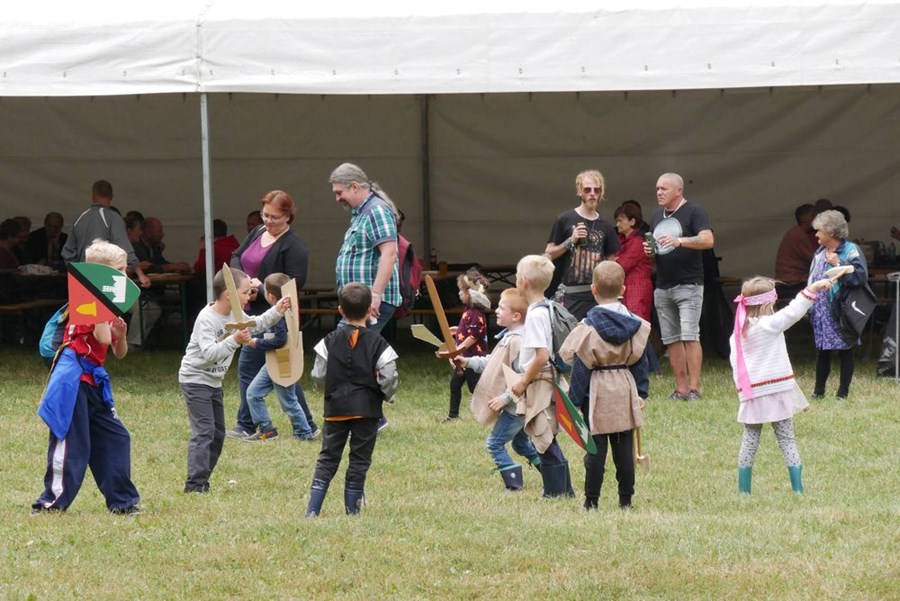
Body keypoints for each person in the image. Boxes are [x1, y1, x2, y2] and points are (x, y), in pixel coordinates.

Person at [32, 240, 141, 514]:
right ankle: (50, 502)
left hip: (93, 379)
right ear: (101, 274)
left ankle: (123, 502)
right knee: (71, 443)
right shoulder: (86, 301)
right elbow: (102, 336)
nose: (125, 274)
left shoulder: (107, 304)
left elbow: (119, 353)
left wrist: (121, 336)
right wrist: (108, 322)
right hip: (73, 379)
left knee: (116, 438)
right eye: (119, 270)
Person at [178, 266, 291, 493]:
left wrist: (277, 310)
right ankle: (195, 485)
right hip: (195, 379)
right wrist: (234, 340)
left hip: (213, 381)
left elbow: (257, 323)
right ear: (229, 294)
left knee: (218, 434)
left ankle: (202, 480)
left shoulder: (236, 315)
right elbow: (210, 354)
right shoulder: (207, 319)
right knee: (205, 432)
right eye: (245, 292)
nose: (250, 296)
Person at [730, 276, 834, 494]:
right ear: (768, 303)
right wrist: (813, 288)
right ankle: (798, 489)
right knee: (787, 439)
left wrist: (743, 393)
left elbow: (736, 366)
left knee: (749, 440)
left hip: (753, 394)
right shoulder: (769, 325)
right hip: (777, 391)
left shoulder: (737, 334)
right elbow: (794, 311)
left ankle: (743, 491)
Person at [560, 261, 650, 509]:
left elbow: (581, 368)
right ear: (623, 289)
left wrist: (573, 401)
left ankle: (591, 502)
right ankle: (625, 500)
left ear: (593, 289)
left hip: (596, 391)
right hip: (624, 387)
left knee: (595, 451)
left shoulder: (587, 328)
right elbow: (640, 361)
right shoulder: (635, 324)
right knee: (624, 449)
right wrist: (641, 392)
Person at [227, 190, 317, 439]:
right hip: (251, 313)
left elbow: (294, 286)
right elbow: (236, 256)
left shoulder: (295, 246)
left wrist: (261, 288)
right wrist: (244, 281)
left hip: (275, 318)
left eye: (274, 217)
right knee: (279, 373)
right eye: (265, 215)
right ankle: (305, 425)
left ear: (288, 216)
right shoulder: (257, 232)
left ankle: (248, 424)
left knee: (275, 372)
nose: (267, 221)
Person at [305, 283, 399, 516]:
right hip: (367, 412)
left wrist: (328, 391)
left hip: (335, 409)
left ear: (340, 310)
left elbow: (318, 375)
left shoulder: (328, 341)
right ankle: (352, 511)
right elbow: (388, 377)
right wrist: (387, 395)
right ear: (369, 310)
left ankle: (313, 510)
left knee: (327, 458)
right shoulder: (379, 343)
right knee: (359, 460)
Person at [330, 163, 401, 433]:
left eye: (339, 192)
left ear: (354, 186)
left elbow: (389, 253)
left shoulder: (376, 211)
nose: (337, 198)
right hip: (359, 302)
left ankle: (368, 415)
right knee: (357, 358)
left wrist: (376, 294)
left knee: (346, 354)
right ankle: (368, 415)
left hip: (369, 303)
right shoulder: (361, 212)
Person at [457, 287, 541, 491]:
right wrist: (468, 362)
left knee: (494, 443)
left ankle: (514, 485)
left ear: (516, 316)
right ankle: (550, 471)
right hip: (518, 405)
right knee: (520, 444)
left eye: (502, 308)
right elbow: (493, 362)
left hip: (517, 406)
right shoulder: (510, 336)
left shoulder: (519, 341)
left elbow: (524, 378)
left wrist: (505, 398)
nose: (496, 310)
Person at [644, 173, 714, 400]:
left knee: (690, 335)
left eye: (664, 188)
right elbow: (659, 250)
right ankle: (681, 388)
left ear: (678, 191)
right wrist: (651, 251)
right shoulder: (657, 216)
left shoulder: (694, 211)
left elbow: (707, 240)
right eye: (657, 188)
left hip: (689, 283)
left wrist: (680, 241)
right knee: (671, 339)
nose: (659, 192)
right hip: (663, 285)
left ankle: (694, 388)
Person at [510, 254, 573, 498]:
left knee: (542, 436)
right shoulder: (546, 307)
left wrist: (523, 381)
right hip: (546, 378)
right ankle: (564, 490)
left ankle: (555, 493)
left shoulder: (536, 315)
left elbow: (541, 356)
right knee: (546, 437)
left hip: (539, 381)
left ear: (523, 281)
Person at [244, 273, 315, 442]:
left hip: (282, 360)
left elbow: (280, 339)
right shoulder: (282, 310)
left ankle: (304, 432)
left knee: (288, 401)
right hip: (273, 361)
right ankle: (267, 429)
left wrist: (256, 343)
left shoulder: (279, 316)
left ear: (270, 296)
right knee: (253, 394)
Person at [808, 210, 868, 399]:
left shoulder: (851, 250)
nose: (816, 234)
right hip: (821, 310)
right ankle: (818, 392)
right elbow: (812, 278)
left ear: (831, 232)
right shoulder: (820, 252)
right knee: (822, 351)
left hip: (842, 310)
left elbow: (860, 277)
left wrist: (838, 263)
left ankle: (842, 394)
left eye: (819, 230)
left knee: (845, 351)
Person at [544, 170, 620, 320]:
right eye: (587, 189)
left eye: (596, 190)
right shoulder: (565, 219)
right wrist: (570, 241)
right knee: (570, 333)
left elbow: (611, 263)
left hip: (597, 294)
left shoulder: (606, 225)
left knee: (597, 333)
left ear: (601, 193)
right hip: (570, 294)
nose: (592, 193)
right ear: (579, 191)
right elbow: (548, 254)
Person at [61, 180, 151, 288]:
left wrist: (79, 274)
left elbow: (67, 253)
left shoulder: (79, 219)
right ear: (111, 196)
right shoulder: (114, 218)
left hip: (82, 281)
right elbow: (125, 249)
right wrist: (140, 274)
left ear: (92, 196)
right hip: (108, 281)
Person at [442, 268, 491, 422]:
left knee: (474, 386)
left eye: (462, 291)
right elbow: (467, 330)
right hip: (463, 356)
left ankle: (490, 410)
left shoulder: (477, 314)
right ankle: (453, 415)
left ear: (472, 294)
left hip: (472, 357)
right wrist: (457, 330)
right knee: (455, 384)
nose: (459, 294)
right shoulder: (468, 311)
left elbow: (474, 336)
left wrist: (458, 350)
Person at [612, 203, 653, 322]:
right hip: (625, 288)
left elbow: (621, 265)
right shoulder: (621, 240)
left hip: (637, 288)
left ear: (632, 221)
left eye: (620, 221)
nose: (617, 224)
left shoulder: (638, 242)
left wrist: (615, 260)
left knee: (637, 322)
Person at [774, 204, 818, 297]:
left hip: (790, 281)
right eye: (813, 215)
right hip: (791, 282)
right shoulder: (799, 235)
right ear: (803, 218)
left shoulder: (796, 232)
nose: (817, 217)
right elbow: (814, 259)